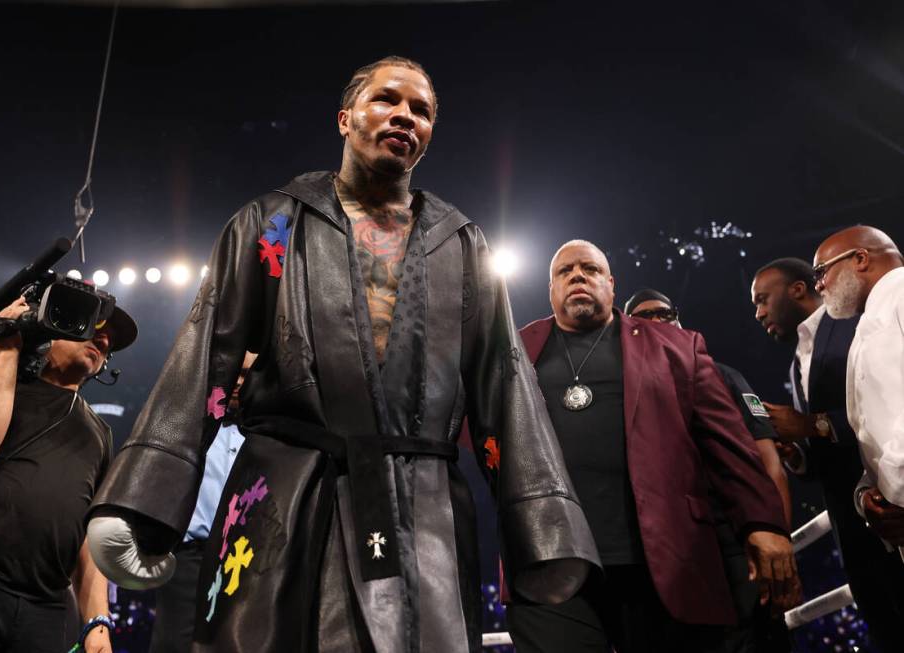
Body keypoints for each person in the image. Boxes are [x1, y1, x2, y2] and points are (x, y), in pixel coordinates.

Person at [86, 56, 598, 653]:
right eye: (387, 100)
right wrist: (143, 494)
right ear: (345, 118)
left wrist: (544, 520)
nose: (405, 115)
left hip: (423, 507)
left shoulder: (463, 245)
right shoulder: (269, 223)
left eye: (422, 110)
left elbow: (503, 385)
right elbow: (207, 354)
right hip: (286, 491)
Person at [506, 240, 796, 653]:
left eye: (589, 269)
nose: (577, 276)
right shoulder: (514, 350)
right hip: (550, 559)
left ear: (611, 283)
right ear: (550, 289)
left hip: (661, 559)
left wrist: (763, 524)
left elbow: (730, 446)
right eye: (564, 271)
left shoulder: (678, 347)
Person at [0, 293, 138, 653]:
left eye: (110, 339)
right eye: (95, 325)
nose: (104, 339)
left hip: (45, 605)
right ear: (51, 327)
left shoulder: (100, 433)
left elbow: (89, 536)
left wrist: (97, 621)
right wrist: (8, 350)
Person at [624, 288, 792, 653]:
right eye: (642, 317)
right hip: (665, 555)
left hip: (733, 544)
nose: (656, 322)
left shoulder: (720, 374)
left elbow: (768, 461)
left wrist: (778, 539)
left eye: (664, 314)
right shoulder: (620, 393)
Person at [750, 255, 904, 652]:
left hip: (891, 504)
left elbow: (883, 400)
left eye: (763, 299)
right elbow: (822, 451)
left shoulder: (856, 323)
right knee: (886, 629)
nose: (758, 312)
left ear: (798, 289)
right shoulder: (795, 364)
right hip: (852, 521)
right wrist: (796, 453)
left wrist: (811, 424)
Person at [149, 352, 254, 653]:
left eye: (247, 374)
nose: (238, 381)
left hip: (244, 562)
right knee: (174, 645)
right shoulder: (187, 426)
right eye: (236, 371)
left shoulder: (268, 437)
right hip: (188, 560)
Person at [812, 227, 904, 548]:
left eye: (821, 271)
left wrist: (894, 492)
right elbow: (870, 434)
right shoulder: (861, 333)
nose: (819, 286)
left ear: (861, 259)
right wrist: (866, 494)